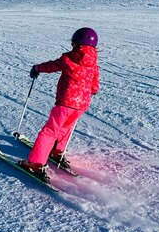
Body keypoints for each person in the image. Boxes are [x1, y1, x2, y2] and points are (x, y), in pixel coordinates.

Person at [18, 27, 100, 182]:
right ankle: (57, 151)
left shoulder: (69, 58)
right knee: (65, 127)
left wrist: (37, 68)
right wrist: (92, 90)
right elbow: (95, 85)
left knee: (50, 131)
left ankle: (36, 163)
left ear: (77, 43)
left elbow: (52, 65)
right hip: (82, 105)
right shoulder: (93, 63)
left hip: (66, 102)